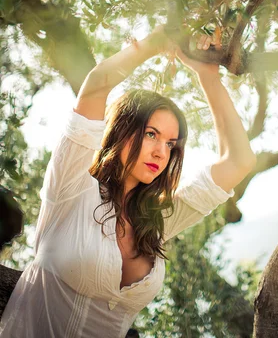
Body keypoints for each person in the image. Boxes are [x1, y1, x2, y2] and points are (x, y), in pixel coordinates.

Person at [0, 28, 256, 338]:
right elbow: (96, 86)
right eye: (151, 134)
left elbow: (239, 161)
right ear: (121, 130)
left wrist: (208, 75)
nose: (161, 152)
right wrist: (157, 41)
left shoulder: (158, 220)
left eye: (170, 143)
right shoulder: (70, 188)